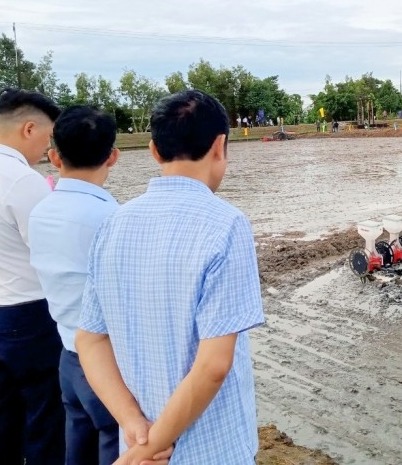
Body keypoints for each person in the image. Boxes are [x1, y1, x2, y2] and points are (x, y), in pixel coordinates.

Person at [76, 90, 265, 464]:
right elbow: (213, 365)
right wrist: (149, 449)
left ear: (154, 151)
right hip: (210, 449)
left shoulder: (114, 223)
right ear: (219, 146)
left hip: (139, 439)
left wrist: (133, 425)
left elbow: (90, 339)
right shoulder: (226, 224)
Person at [29, 106, 170, 465]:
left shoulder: (40, 212)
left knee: (77, 446)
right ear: (113, 156)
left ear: (54, 156)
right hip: (108, 366)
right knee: (115, 446)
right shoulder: (112, 219)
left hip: (67, 355)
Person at [0, 87, 65, 464]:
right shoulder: (21, 180)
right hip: (30, 314)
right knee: (46, 417)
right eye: (47, 137)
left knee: (6, 412)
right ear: (29, 128)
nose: (46, 149)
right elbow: (52, 252)